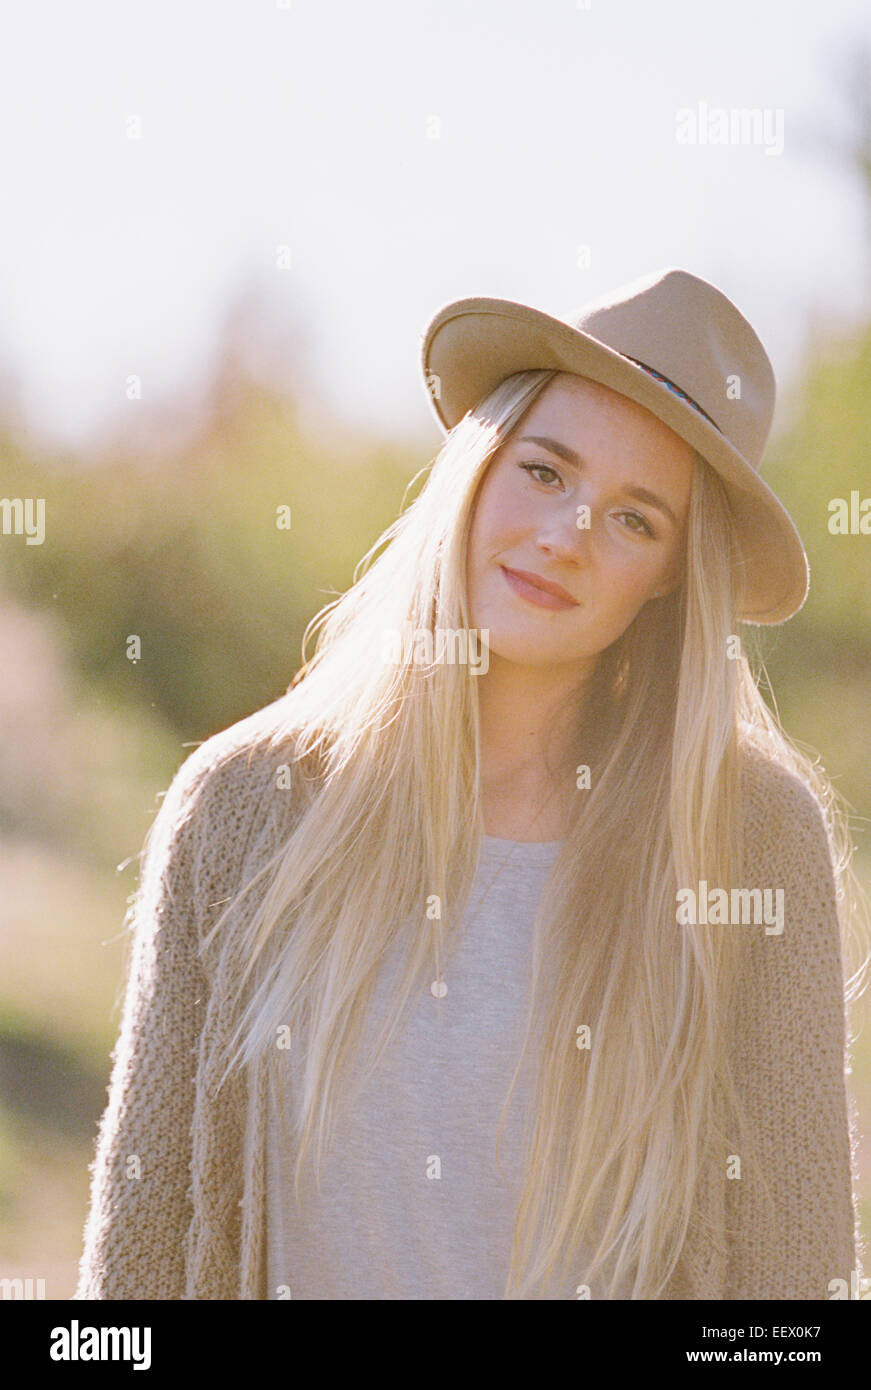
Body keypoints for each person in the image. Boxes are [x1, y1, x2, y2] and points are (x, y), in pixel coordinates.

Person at [75, 266, 868, 1300]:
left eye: (634, 519)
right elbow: (141, 1242)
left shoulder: (750, 836)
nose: (567, 535)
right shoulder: (246, 805)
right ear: (477, 467)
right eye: (545, 471)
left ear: (674, 574)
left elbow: (795, 1276)